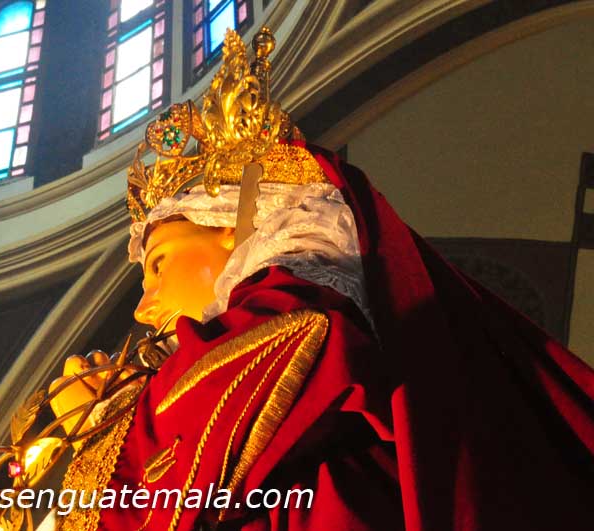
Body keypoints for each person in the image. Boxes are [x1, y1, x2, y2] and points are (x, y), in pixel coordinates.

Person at [40, 28, 594, 531]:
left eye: (159, 264)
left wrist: (110, 426)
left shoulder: (302, 295)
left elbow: (266, 362)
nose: (143, 307)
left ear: (234, 228)